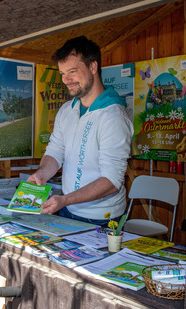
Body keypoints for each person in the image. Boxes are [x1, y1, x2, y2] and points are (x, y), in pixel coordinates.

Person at [27, 36, 134, 226]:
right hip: (68, 209)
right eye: (62, 73)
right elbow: (54, 152)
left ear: (93, 67)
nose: (66, 80)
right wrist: (42, 174)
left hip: (103, 217)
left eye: (72, 72)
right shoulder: (67, 110)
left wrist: (65, 200)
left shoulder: (114, 116)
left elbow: (111, 181)